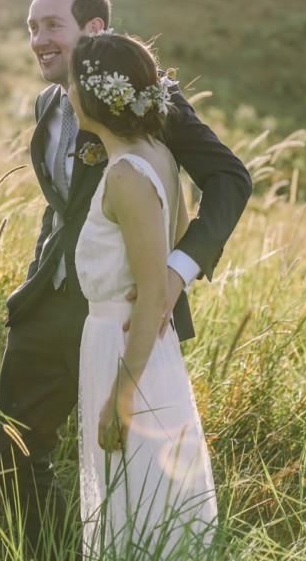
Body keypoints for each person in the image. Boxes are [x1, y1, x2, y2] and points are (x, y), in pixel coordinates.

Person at [0, 0, 252, 560]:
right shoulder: (46, 104)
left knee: (121, 470)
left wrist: (176, 272)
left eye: (52, 26)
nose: (39, 40)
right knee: (11, 454)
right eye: (32, 28)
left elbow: (230, 179)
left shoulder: (147, 99)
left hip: (125, 318)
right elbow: (63, 206)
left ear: (94, 30)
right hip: (48, 307)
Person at [70, 32, 218, 559]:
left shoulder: (127, 174)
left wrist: (121, 395)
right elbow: (175, 234)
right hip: (141, 342)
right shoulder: (156, 153)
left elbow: (154, 286)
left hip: (124, 342)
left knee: (132, 492)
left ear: (91, 95)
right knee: (146, 490)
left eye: (71, 81)